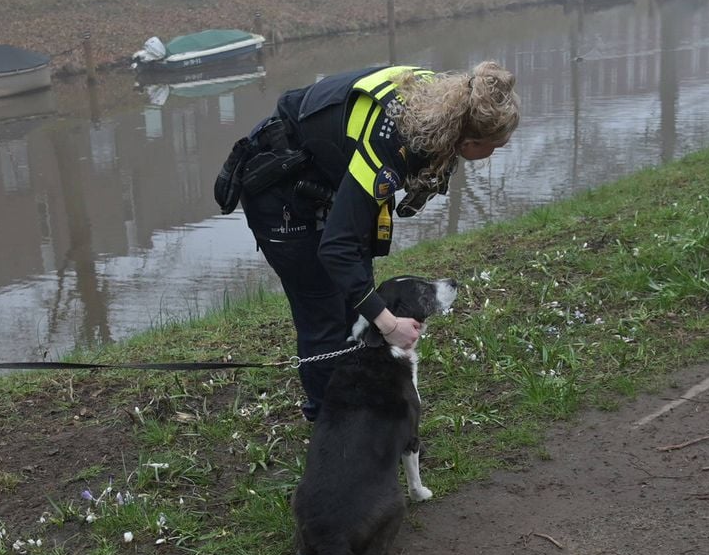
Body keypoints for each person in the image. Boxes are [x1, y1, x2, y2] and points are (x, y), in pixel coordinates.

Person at [218, 61, 519, 420]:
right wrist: (390, 325)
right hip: (278, 192)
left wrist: (372, 311)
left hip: (323, 181)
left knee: (354, 305)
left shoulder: (439, 99)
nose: (495, 153)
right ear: (468, 141)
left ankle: (356, 402)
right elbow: (337, 249)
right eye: (494, 146)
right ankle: (329, 422)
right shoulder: (390, 147)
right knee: (323, 313)